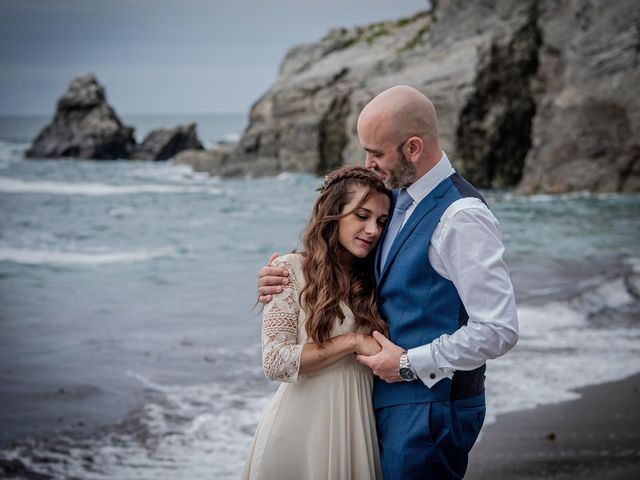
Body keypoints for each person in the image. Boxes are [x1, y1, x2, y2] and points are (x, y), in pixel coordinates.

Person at [257, 85, 519, 479]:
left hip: (429, 408)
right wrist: (288, 276)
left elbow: (498, 329)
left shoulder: (461, 217)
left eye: (376, 153)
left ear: (413, 148)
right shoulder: (395, 199)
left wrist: (409, 364)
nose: (368, 162)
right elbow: (352, 253)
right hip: (376, 406)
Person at [242, 166, 392, 480]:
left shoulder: (374, 279)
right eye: (361, 216)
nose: (373, 230)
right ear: (333, 213)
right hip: (301, 431)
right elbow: (275, 362)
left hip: (358, 426)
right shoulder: (290, 270)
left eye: (381, 221)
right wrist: (352, 341)